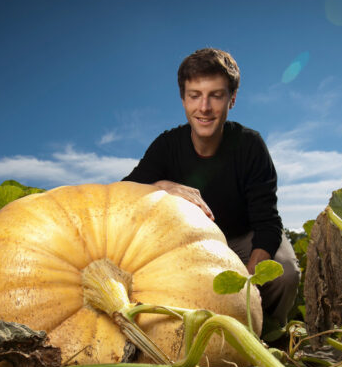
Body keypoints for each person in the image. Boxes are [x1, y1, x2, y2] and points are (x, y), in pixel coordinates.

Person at [122, 47, 300, 327]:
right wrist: (161, 186)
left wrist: (250, 279)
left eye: (215, 96)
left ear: (232, 99)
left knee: (285, 274)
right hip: (184, 245)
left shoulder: (250, 145)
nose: (204, 107)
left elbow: (267, 223)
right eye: (195, 96)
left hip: (243, 238)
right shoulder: (167, 146)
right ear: (183, 99)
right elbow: (122, 193)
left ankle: (269, 337)